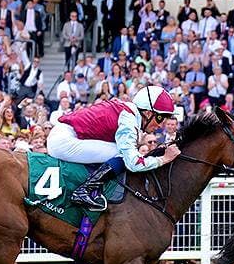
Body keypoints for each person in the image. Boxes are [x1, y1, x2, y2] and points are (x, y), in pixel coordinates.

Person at [47, 85, 181, 210]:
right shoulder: (128, 121)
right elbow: (133, 163)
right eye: (159, 118)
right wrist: (164, 159)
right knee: (123, 155)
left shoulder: (129, 111)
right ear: (147, 113)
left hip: (65, 135)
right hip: (64, 140)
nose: (161, 125)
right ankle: (84, 190)